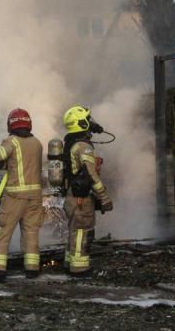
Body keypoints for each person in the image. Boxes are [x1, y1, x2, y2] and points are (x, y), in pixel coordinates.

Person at [0, 108, 44, 280]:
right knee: (31, 231)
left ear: (10, 124)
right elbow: (26, 165)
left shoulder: (11, 141)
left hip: (15, 195)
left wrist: (1, 162)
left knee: (3, 229)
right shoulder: (37, 143)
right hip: (35, 196)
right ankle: (32, 269)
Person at [61, 105, 113, 276]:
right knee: (83, 231)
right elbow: (91, 175)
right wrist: (104, 197)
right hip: (81, 198)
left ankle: (70, 262)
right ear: (81, 123)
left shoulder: (70, 143)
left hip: (71, 195)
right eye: (87, 119)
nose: (91, 122)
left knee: (74, 231)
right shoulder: (84, 147)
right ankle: (79, 267)